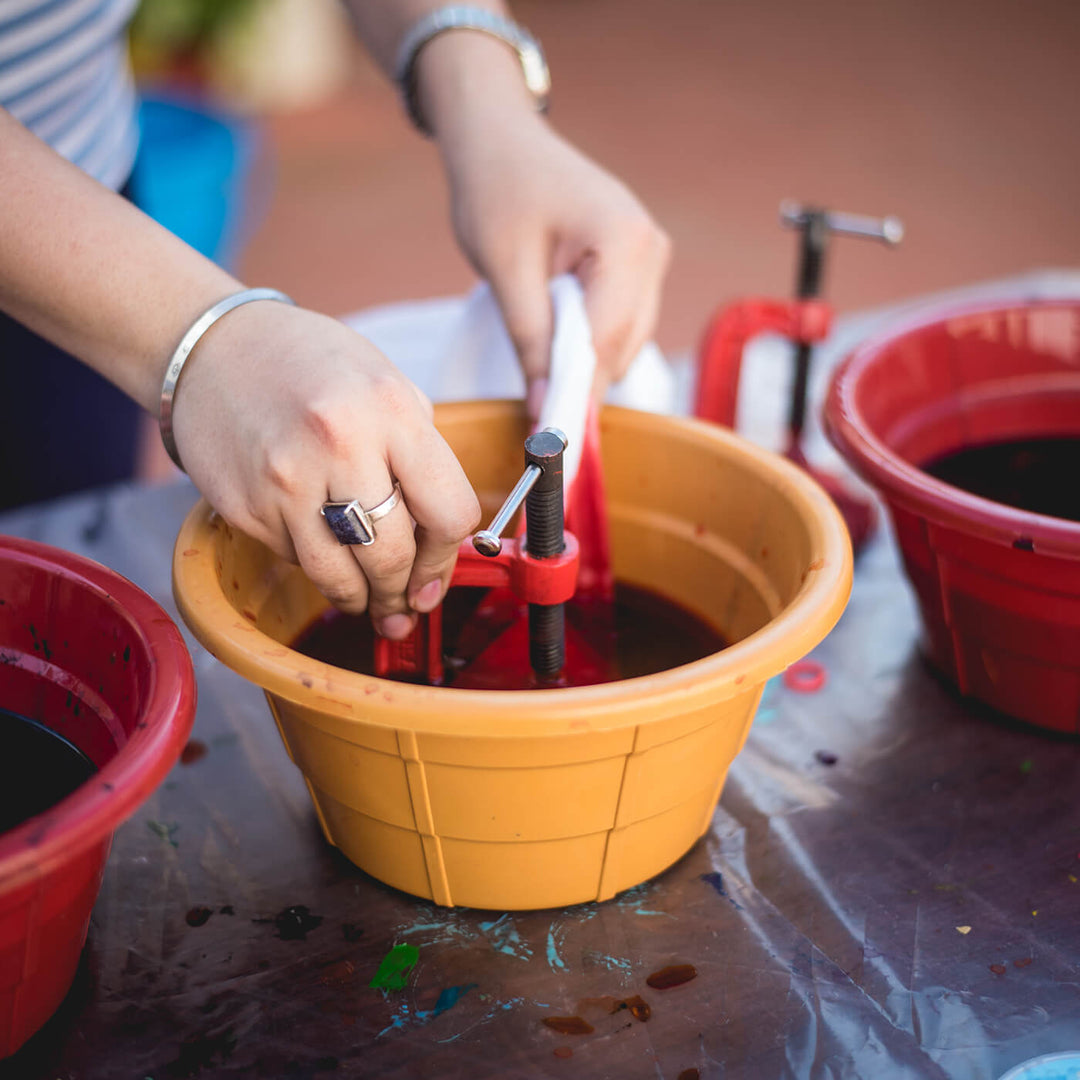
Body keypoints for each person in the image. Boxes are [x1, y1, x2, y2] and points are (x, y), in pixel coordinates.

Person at [0, 0, 670, 642]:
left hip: (73, 186)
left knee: (37, 602)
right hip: (54, 243)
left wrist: (492, 109)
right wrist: (201, 335)